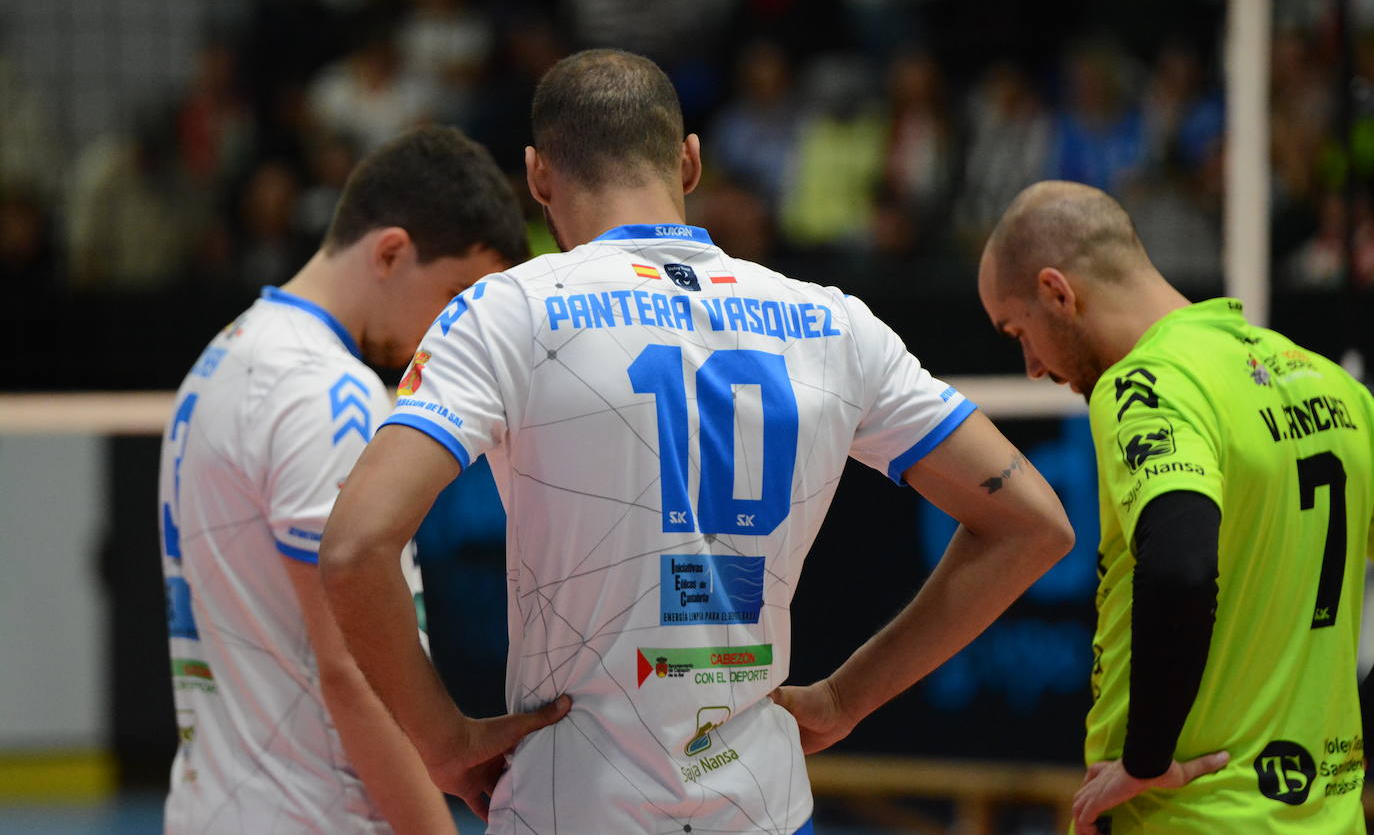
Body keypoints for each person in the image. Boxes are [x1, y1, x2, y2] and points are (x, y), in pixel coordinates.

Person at [319, 49, 1074, 834]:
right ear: (689, 161)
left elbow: (354, 545)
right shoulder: (834, 322)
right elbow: (1031, 523)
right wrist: (848, 698)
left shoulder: (507, 312)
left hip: (573, 805)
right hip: (763, 808)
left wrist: (442, 742)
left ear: (539, 178)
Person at [157, 126, 534, 834]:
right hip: (312, 814)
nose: (452, 333)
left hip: (219, 804)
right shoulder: (329, 392)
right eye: (455, 297)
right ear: (390, 251)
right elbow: (354, 673)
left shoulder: (227, 353)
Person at [978, 180, 1374, 834]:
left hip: (1194, 816)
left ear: (1058, 292)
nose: (1032, 366)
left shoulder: (1147, 381)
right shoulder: (1327, 380)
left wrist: (1144, 759)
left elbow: (1181, 566)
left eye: (1020, 332)